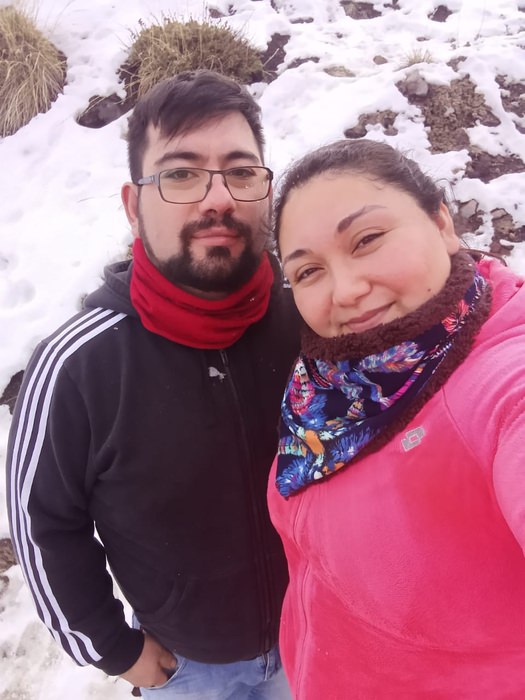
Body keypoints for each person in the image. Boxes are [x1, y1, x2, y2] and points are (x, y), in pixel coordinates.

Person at [6, 70, 299, 699]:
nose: (217, 197)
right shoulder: (79, 365)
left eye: (241, 171)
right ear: (133, 206)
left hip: (317, 636)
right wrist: (114, 648)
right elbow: (42, 522)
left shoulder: (310, 319)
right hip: (190, 669)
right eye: (181, 173)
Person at [267, 138, 525, 699]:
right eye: (308, 271)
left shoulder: (503, 380)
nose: (347, 291)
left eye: (367, 240)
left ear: (441, 222)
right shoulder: (331, 383)